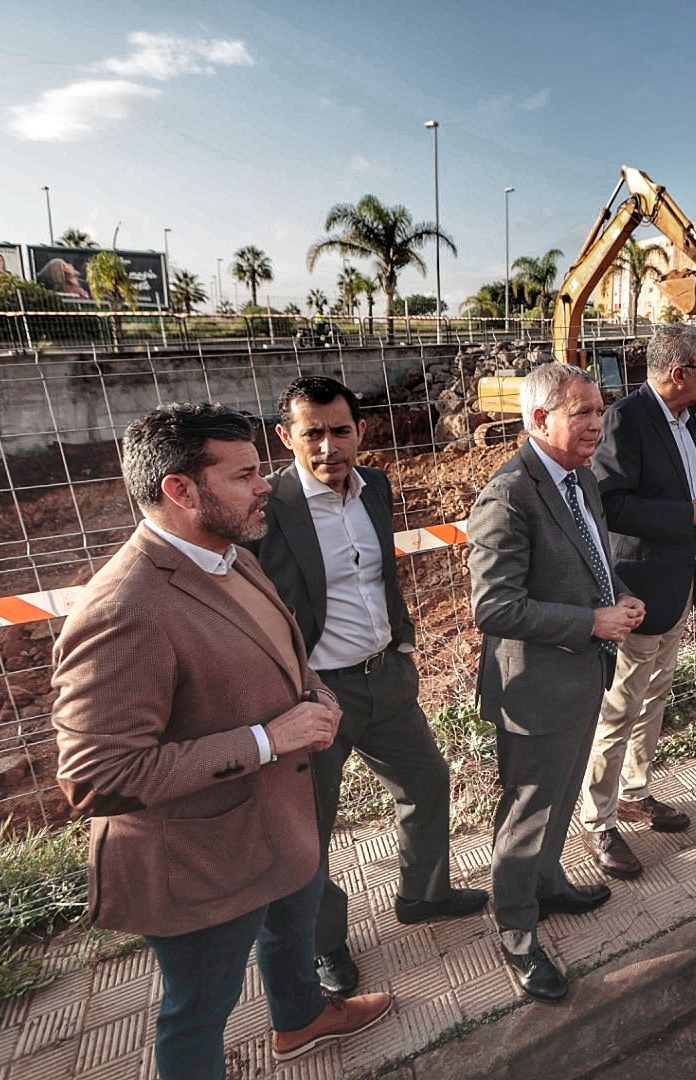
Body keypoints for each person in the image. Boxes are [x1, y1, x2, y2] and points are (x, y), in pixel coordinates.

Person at [50, 403, 390, 1078]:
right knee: (199, 1009)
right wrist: (268, 738)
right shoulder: (124, 608)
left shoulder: (228, 554)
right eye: (244, 475)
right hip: (202, 860)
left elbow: (276, 653)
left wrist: (312, 696)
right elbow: (94, 777)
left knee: (292, 935)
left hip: (278, 827)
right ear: (181, 491)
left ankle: (300, 1021)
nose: (265, 484)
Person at [248, 376, 486, 996]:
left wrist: (404, 644)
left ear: (361, 431)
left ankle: (423, 896)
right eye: (313, 434)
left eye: (341, 430)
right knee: (314, 825)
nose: (329, 446)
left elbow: (381, 576)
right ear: (286, 438)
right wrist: (294, 688)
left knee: (427, 781)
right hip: (317, 695)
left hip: (387, 680)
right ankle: (325, 944)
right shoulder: (269, 506)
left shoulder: (374, 486)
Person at [466, 362, 646, 1004]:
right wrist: (592, 620)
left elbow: (594, 559)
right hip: (536, 686)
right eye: (583, 412)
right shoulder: (508, 495)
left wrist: (619, 595)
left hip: (577, 673)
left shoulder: (579, 479)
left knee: (563, 793)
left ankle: (547, 884)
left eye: (600, 411)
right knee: (529, 808)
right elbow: (491, 606)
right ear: (539, 418)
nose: (598, 423)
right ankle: (516, 924)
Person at [580, 326, 696, 877]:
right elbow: (612, 504)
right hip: (640, 591)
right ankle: (599, 821)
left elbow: (686, 496)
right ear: (677, 373)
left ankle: (635, 792)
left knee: (654, 696)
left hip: (678, 583)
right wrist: (689, 515)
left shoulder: (686, 422)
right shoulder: (627, 419)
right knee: (619, 708)